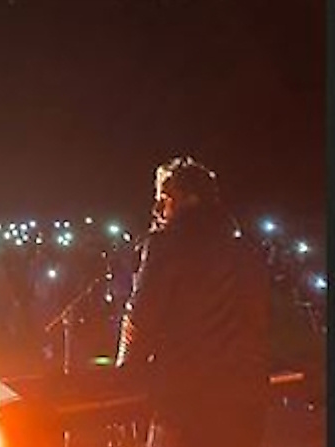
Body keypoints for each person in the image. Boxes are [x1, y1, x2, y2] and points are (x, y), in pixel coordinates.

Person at [115, 156, 271, 447]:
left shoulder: (165, 245)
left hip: (186, 403)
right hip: (245, 399)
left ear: (190, 199)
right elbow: (258, 321)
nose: (159, 208)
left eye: (165, 197)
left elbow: (140, 318)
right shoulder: (246, 250)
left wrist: (124, 374)